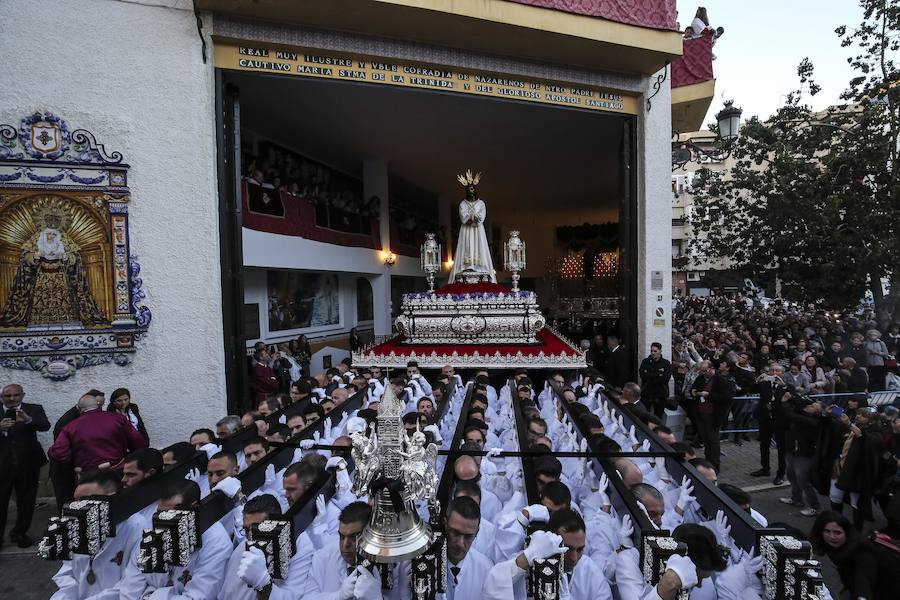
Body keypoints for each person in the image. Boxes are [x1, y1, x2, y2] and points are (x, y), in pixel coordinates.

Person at [107, 480, 232, 599]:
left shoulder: (216, 542)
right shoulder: (154, 531)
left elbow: (199, 596)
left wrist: (151, 595)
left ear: (193, 509)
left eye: (170, 514)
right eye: (159, 513)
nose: (162, 521)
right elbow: (129, 590)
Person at [49, 469, 146, 599]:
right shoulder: (77, 525)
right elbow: (67, 572)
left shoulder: (138, 528)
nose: (77, 507)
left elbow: (132, 585)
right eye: (75, 501)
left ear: (110, 498)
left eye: (84, 500)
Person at [0, 383, 51, 548]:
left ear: (22, 395)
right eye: (8, 396)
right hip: (2, 465)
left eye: (15, 395)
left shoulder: (33, 409)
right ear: (2, 397)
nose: (12, 399)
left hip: (28, 463)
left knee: (27, 501)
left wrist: (28, 420)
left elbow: (45, 426)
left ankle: (19, 532)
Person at [810, 511, 895, 600]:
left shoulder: (862, 550)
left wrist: (862, 597)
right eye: (827, 531)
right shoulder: (826, 544)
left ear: (846, 533)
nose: (832, 537)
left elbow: (863, 578)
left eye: (837, 533)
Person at [448, 171, 496, 283]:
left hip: (478, 230)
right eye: (469, 189)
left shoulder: (481, 203)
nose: (471, 190)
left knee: (479, 245)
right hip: (466, 230)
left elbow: (481, 218)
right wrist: (472, 217)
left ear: (475, 190)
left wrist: (472, 217)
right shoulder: (462, 204)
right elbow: (463, 218)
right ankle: (468, 265)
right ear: (466, 190)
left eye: (472, 189)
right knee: (467, 245)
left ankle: (479, 266)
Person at [778, 398, 822, 517]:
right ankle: (796, 498)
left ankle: (814, 506)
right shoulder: (800, 414)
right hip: (792, 451)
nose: (808, 407)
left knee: (803, 480)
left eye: (813, 406)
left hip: (804, 455)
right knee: (791, 475)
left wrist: (785, 403)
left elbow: (793, 415)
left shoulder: (814, 420)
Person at [751, 364, 788, 484]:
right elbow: (751, 390)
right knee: (764, 444)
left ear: (782, 372)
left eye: (777, 370)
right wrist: (757, 381)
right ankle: (765, 468)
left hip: (779, 420)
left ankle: (781, 473)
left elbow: (792, 397)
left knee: (781, 448)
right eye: (771, 370)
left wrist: (783, 386)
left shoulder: (786, 385)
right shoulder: (764, 383)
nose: (773, 372)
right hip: (765, 419)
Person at [639, 342, 673, 418]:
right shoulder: (645, 362)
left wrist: (650, 375)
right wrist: (658, 374)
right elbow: (642, 375)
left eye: (655, 351)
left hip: (660, 394)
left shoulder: (666, 363)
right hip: (647, 393)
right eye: (651, 351)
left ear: (660, 351)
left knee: (658, 417)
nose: (653, 353)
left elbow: (665, 378)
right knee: (643, 415)